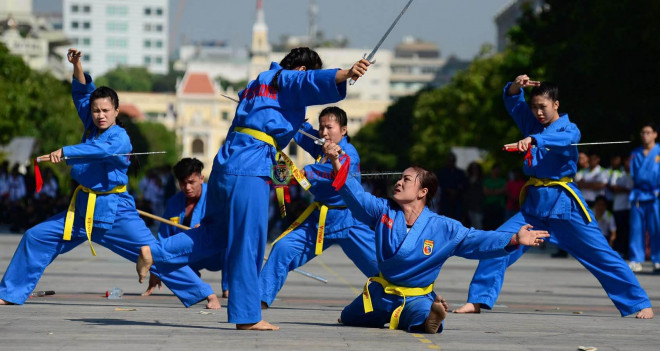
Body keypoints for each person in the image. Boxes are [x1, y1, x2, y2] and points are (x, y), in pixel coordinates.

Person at [136, 47, 371, 330]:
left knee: (214, 234)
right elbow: (303, 83)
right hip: (250, 168)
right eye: (309, 75)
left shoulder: (257, 84)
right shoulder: (286, 79)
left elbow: (290, 122)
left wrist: (298, 122)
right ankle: (248, 317)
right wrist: (347, 72)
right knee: (249, 242)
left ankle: (155, 253)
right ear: (302, 71)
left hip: (227, 164)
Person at [0, 48, 218, 309]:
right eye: (96, 110)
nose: (100, 115)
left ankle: (205, 293)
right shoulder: (92, 124)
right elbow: (82, 94)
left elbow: (100, 150)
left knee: (152, 254)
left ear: (116, 111)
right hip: (82, 212)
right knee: (35, 237)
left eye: (105, 110)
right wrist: (77, 65)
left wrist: (66, 152)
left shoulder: (119, 138)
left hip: (115, 212)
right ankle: (10, 292)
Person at [453, 75, 654, 319]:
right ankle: (477, 300)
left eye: (543, 107)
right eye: (534, 107)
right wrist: (517, 86)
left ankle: (639, 303)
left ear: (556, 105)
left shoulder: (568, 128)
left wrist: (535, 139)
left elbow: (568, 139)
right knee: (500, 242)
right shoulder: (532, 124)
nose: (538, 112)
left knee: (602, 255)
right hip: (534, 209)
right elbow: (514, 102)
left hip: (565, 207)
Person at [322, 142, 550, 333]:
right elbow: (356, 196)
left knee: (423, 317)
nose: (399, 182)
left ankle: (432, 316)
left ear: (423, 192)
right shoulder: (383, 211)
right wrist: (335, 161)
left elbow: (476, 239)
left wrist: (513, 239)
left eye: (407, 180)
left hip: (417, 297)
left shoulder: (443, 227)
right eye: (400, 178)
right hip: (380, 293)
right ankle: (402, 316)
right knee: (347, 317)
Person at [259, 107, 379, 309]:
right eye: (321, 127)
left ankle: (423, 301)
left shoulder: (349, 154)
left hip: (349, 221)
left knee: (383, 268)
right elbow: (302, 133)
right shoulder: (322, 146)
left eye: (329, 127)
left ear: (344, 130)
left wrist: (305, 171)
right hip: (320, 220)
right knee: (282, 248)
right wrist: (289, 116)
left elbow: (326, 173)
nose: (323, 132)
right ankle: (258, 301)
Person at [142, 158, 228, 304]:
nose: (187, 187)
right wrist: (156, 267)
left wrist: (208, 226)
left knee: (232, 244)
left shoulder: (216, 196)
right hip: (189, 255)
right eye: (183, 183)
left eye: (191, 182)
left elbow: (228, 224)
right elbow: (164, 237)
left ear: (201, 178)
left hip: (217, 254)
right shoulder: (173, 202)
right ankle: (196, 286)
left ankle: (228, 287)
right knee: (168, 257)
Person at [628, 123, 660, 272]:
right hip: (638, 194)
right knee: (636, 228)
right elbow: (634, 174)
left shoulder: (659, 152)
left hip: (655, 195)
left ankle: (658, 259)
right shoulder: (635, 153)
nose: (645, 135)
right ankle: (636, 259)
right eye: (643, 132)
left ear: (655, 134)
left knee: (657, 228)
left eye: (648, 132)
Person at [608, 153, 632, 259]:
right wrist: (627, 190)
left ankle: (628, 252)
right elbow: (613, 187)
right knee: (620, 231)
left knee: (629, 230)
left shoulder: (634, 173)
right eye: (627, 161)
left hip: (631, 206)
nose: (629, 164)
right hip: (619, 206)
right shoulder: (617, 173)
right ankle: (620, 251)